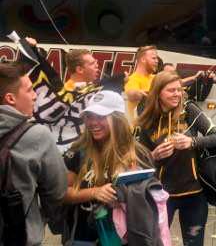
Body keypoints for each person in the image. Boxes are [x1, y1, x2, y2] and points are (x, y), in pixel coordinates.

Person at [136, 71, 216, 246]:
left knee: (193, 243)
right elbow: (139, 162)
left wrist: (192, 141)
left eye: (179, 90)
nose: (177, 94)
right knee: (156, 242)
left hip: (194, 193)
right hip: (160, 195)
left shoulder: (189, 110)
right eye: (171, 90)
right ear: (158, 92)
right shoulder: (147, 119)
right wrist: (154, 156)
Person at [62, 90, 153, 243]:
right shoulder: (77, 150)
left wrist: (128, 194)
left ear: (117, 119)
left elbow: (150, 199)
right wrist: (94, 192)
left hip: (124, 237)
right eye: (89, 116)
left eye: (101, 117)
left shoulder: (137, 153)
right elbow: (64, 193)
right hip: (82, 237)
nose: (93, 123)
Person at [0, 62, 67, 245]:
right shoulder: (37, 136)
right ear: (10, 99)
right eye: (29, 90)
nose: (35, 95)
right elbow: (57, 193)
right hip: (17, 237)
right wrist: (43, 220)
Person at [124, 45, 159, 121]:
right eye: (154, 58)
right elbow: (131, 94)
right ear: (143, 59)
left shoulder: (156, 78)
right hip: (138, 129)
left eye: (157, 58)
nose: (157, 61)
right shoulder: (132, 79)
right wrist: (138, 93)